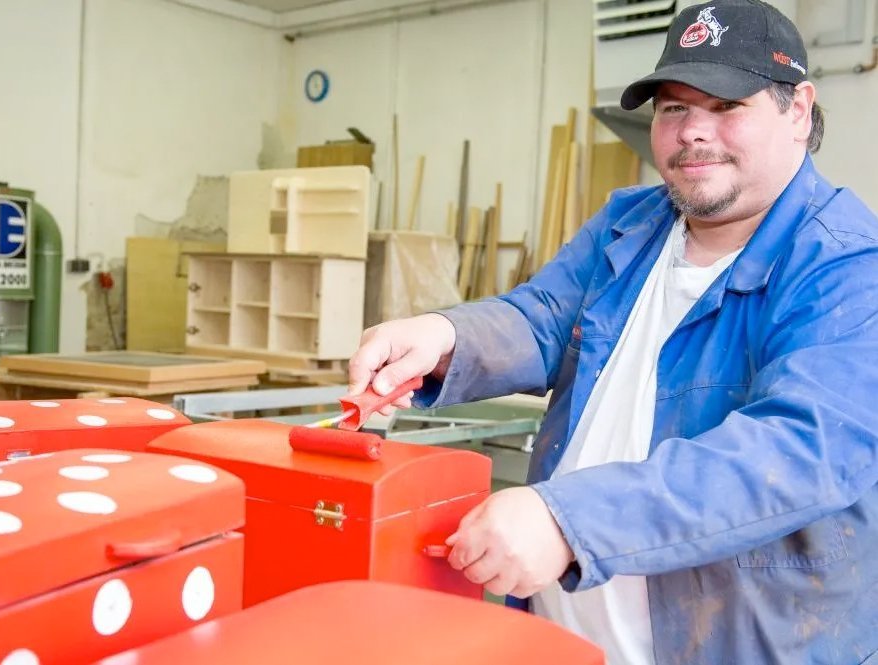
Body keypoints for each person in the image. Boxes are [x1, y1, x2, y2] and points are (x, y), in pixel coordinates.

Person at [348, 1, 878, 662]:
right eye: (674, 108)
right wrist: (441, 336)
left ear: (798, 109)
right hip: (565, 635)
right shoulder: (634, 221)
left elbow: (795, 452)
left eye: (726, 106)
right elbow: (543, 316)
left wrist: (568, 520)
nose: (692, 132)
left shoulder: (846, 264)